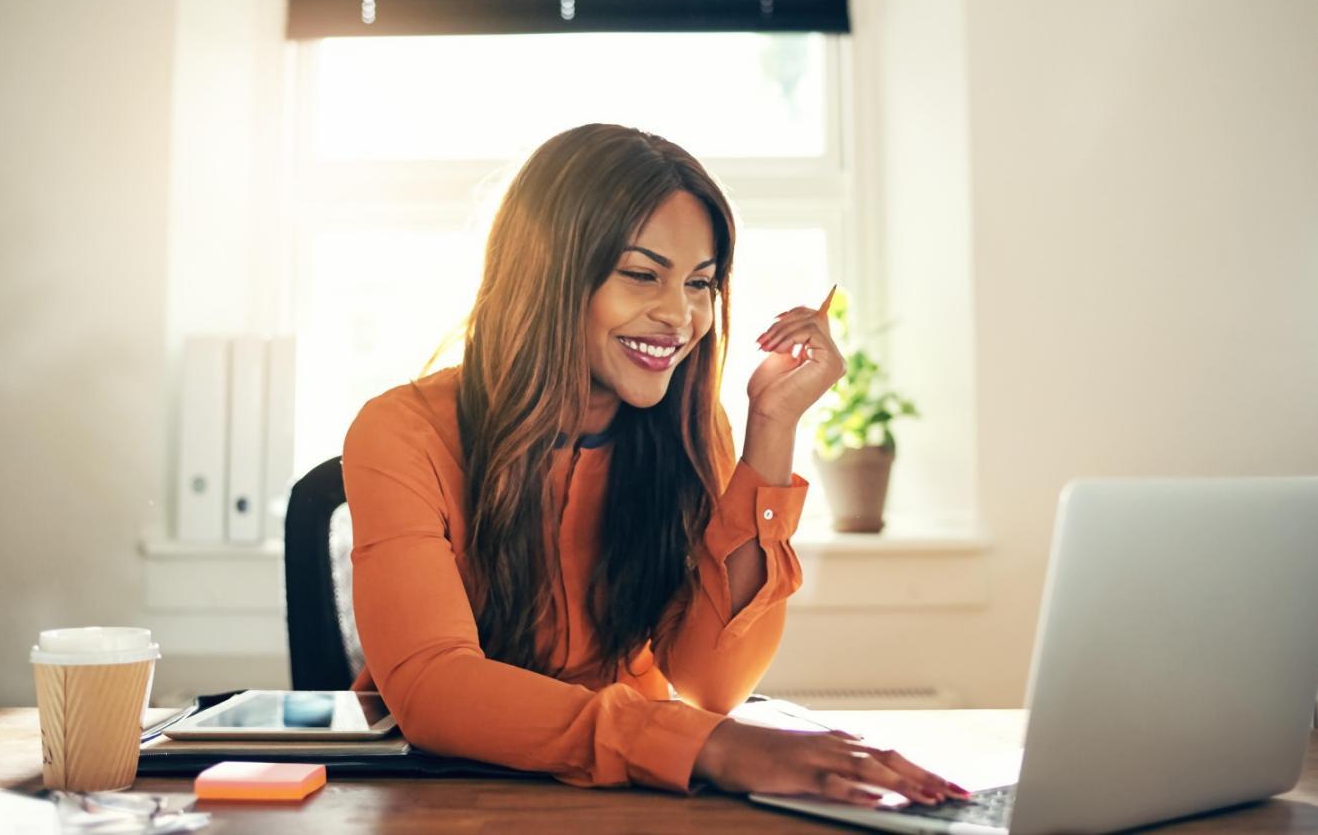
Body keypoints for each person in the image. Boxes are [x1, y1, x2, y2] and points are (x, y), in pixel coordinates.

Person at [342, 123, 967, 807]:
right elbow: (435, 686)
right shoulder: (402, 431)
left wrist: (772, 427)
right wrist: (708, 746)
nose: (680, 315)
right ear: (547, 274)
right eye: (643, 275)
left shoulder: (692, 429)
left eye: (700, 284)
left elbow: (712, 682)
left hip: (632, 794)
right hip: (446, 798)